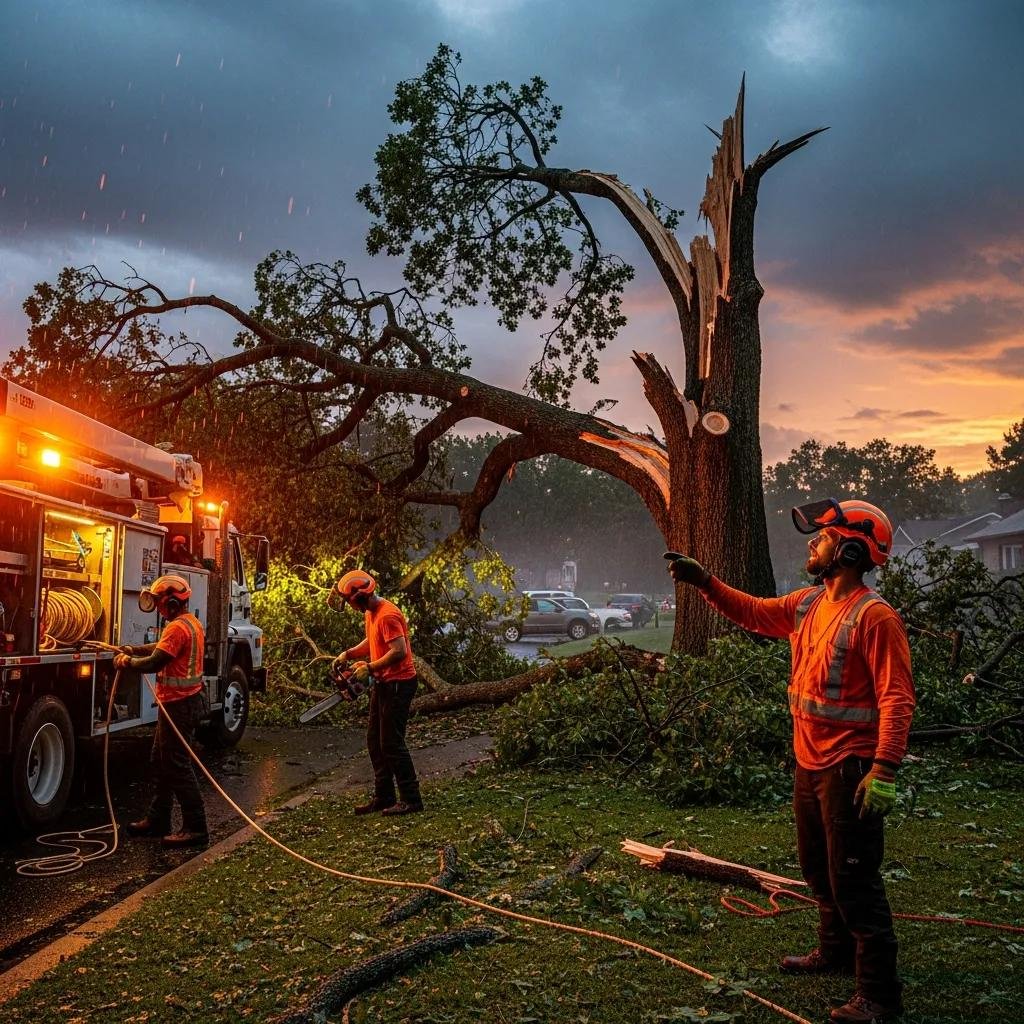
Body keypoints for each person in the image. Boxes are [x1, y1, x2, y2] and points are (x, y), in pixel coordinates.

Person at [666, 498, 915, 1024]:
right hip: (810, 761)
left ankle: (878, 996)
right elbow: (755, 612)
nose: (813, 543)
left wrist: (885, 769)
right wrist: (706, 582)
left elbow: (896, 697)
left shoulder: (875, 618)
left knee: (855, 880)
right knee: (816, 868)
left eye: (822, 537)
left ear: (850, 549)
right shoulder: (808, 604)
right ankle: (834, 952)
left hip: (851, 766)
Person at [114, 574, 209, 848]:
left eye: (159, 602)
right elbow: (160, 648)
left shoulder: (177, 628)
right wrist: (133, 648)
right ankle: (159, 819)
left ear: (170, 601)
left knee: (177, 766)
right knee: (161, 760)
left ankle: (196, 827)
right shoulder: (189, 624)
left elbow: (156, 661)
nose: (156, 607)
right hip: (183, 703)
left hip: (180, 706)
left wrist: (128, 661)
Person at [329, 570, 423, 816]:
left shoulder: (388, 615)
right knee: (375, 742)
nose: (349, 606)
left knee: (392, 743)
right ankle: (384, 796)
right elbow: (372, 642)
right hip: (383, 684)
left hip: (399, 684)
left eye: (349, 601)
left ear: (359, 598)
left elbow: (399, 651)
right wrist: (348, 654)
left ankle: (411, 799)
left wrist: (370, 667)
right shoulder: (372, 613)